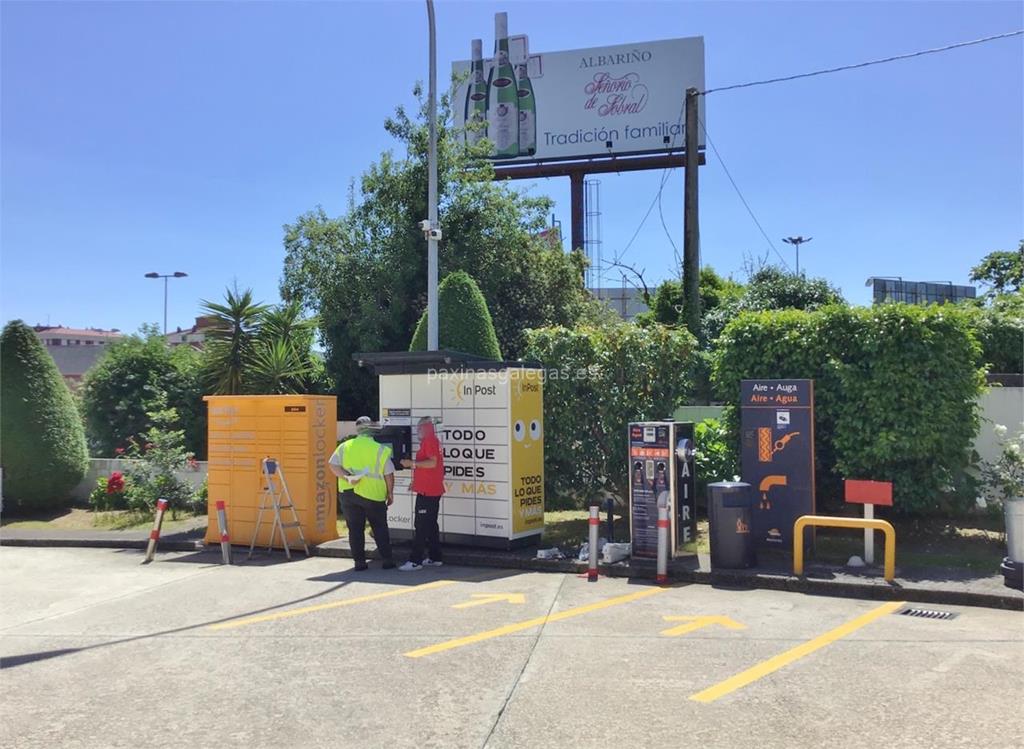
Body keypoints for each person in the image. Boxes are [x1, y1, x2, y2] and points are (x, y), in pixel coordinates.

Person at [328, 416, 396, 571]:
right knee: (379, 527)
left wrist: (346, 477)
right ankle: (387, 560)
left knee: (355, 528)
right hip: (373, 495)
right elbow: (389, 474)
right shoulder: (380, 450)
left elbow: (332, 465)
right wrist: (390, 493)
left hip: (348, 493)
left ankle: (359, 563)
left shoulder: (345, 446)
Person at [398, 417, 445, 571]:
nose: (417, 431)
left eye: (419, 428)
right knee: (430, 524)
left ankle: (415, 561)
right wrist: (416, 482)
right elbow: (430, 466)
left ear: (425, 427)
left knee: (421, 525)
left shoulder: (429, 441)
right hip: (430, 489)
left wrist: (411, 463)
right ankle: (434, 557)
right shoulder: (432, 440)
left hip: (428, 491)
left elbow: (432, 463)